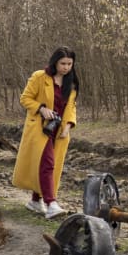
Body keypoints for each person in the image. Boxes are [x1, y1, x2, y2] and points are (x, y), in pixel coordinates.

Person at [13, 47, 79, 219]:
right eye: (62, 63)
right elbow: (25, 98)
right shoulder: (40, 77)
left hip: (59, 130)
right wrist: (41, 109)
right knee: (48, 163)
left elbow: (71, 107)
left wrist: (69, 124)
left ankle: (35, 200)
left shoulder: (71, 83)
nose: (66, 67)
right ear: (55, 62)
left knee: (48, 165)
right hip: (40, 128)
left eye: (69, 64)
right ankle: (51, 203)